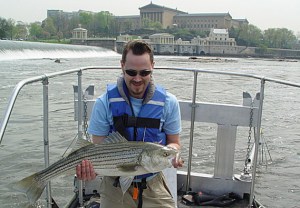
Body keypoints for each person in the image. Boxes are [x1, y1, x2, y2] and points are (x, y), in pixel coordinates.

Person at [76, 40, 182, 208]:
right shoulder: (104, 103)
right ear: (122, 65)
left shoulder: (169, 102)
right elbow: (98, 149)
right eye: (131, 72)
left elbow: (174, 142)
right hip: (114, 184)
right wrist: (89, 170)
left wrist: (172, 153)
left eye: (144, 72)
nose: (138, 78)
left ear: (153, 66)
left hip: (153, 182)